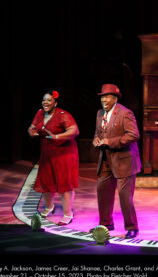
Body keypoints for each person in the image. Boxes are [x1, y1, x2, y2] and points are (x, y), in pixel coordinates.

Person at [91, 84, 142, 239]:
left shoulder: (125, 113)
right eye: (102, 97)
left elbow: (133, 135)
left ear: (114, 99)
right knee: (102, 190)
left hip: (124, 160)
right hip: (106, 159)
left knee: (124, 194)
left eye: (106, 97)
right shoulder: (100, 113)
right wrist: (96, 140)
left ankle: (132, 227)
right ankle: (106, 224)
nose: (103, 100)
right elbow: (97, 132)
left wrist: (109, 141)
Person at [28, 90, 79, 226]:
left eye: (49, 100)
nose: (45, 102)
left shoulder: (63, 115)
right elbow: (32, 127)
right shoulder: (39, 113)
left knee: (64, 183)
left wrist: (57, 137)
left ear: (55, 103)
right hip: (47, 153)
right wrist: (32, 132)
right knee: (46, 181)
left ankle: (68, 213)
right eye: (44, 100)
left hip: (64, 154)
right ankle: (49, 207)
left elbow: (74, 130)